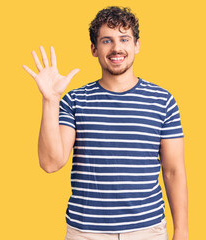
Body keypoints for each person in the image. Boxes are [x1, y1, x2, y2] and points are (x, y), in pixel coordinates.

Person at [23, 6, 188, 240]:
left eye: (124, 39)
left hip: (147, 231)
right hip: (85, 233)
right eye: (107, 40)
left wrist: (181, 232)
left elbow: (173, 171)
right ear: (94, 48)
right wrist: (50, 100)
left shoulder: (163, 101)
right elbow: (50, 163)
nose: (117, 48)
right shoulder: (74, 101)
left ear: (136, 45)